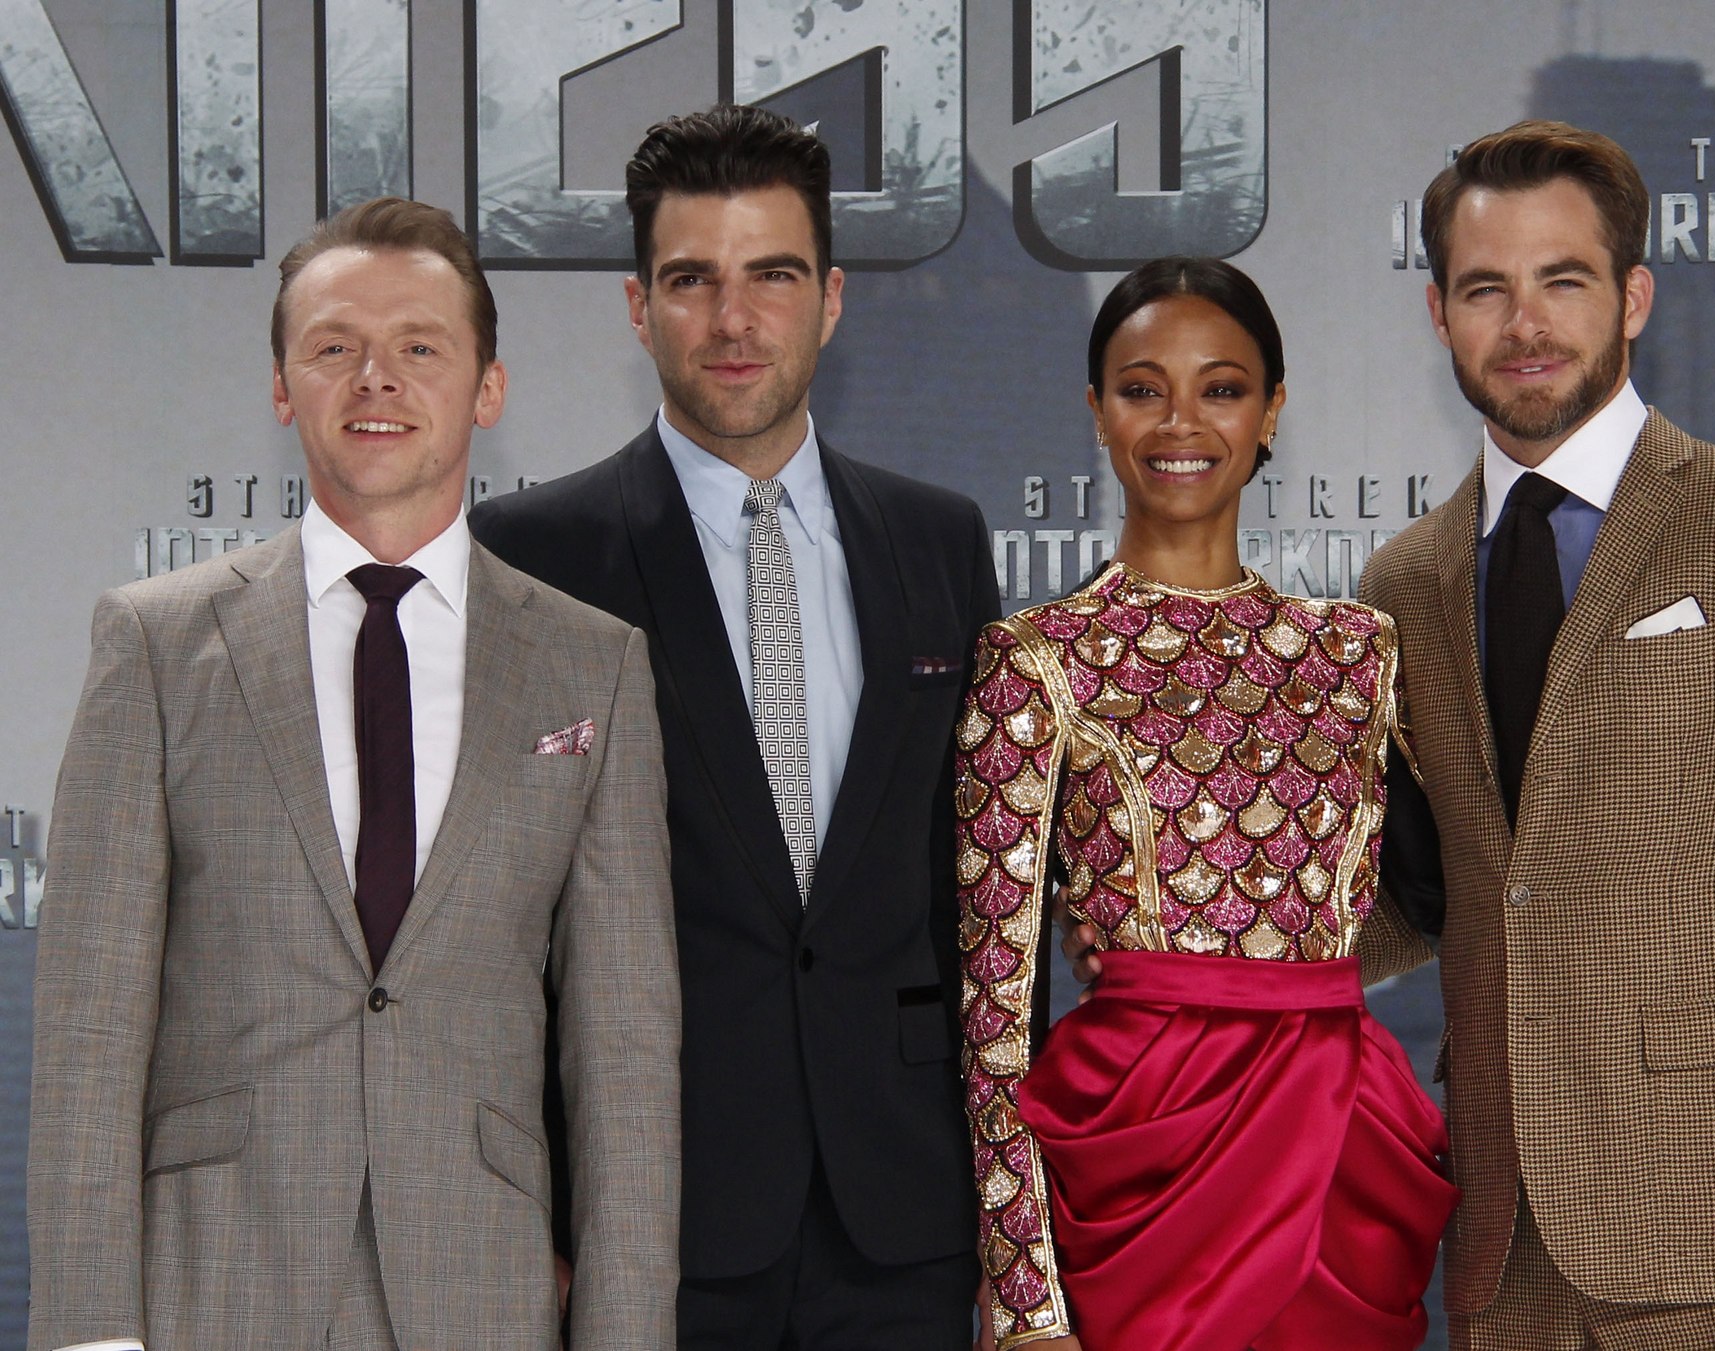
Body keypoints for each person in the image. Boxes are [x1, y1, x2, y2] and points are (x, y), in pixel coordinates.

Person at [26, 198, 681, 1351]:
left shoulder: (593, 666)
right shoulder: (158, 643)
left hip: (479, 1287)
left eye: (419, 346)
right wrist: (89, 1334)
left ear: (487, 388)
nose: (376, 377)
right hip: (212, 1286)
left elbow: (622, 1051)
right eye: (334, 347)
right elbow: (90, 1025)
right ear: (283, 388)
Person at [1354, 120, 1715, 1351]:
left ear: (1631, 297)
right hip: (1497, 1243)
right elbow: (1435, 890)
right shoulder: (1401, 581)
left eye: (1561, 280)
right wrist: (1175, 925)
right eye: (1485, 288)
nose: (1524, 323)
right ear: (1437, 313)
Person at [470, 105, 999, 1347]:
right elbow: (495, 925)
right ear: (636, 306)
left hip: (909, 1214)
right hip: (649, 1219)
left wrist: (1005, 1213)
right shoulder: (530, 556)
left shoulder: (939, 540)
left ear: (830, 299)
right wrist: (538, 1211)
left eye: (772, 275)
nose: (731, 319)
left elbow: (982, 902)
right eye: (690, 279)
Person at [957, 256, 1457, 1351]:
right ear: (1097, 411)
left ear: (1271, 410)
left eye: (1220, 388)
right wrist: (1027, 1301)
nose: (1180, 421)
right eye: (1143, 389)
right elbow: (992, 1010)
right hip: (1134, 1159)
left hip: (1339, 1149)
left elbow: (1467, 881)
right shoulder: (1035, 662)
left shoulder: (1357, 652)